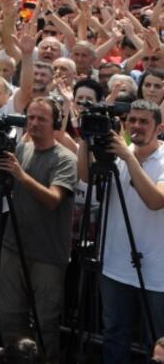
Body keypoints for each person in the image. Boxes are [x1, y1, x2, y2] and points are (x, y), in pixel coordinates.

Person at [77, 99, 164, 363]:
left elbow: (155, 200)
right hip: (114, 264)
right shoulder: (116, 152)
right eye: (132, 121)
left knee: (157, 342)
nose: (136, 127)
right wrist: (85, 140)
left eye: (143, 122)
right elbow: (84, 176)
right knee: (114, 335)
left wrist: (128, 158)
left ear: (159, 127)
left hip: (157, 271)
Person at [0, 98, 77, 362]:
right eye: (30, 117)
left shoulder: (65, 159)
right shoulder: (22, 147)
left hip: (48, 255)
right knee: (9, 315)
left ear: (54, 123)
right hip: (13, 246)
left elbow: (54, 200)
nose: (34, 123)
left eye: (41, 118)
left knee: (45, 325)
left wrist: (21, 175)